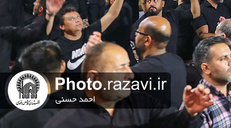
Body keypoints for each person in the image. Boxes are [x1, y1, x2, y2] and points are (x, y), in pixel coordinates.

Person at [44, 41, 213, 128]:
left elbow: (173, 123)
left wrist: (189, 113)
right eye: (121, 68)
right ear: (94, 78)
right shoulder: (65, 123)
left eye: (128, 65)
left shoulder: (141, 102)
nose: (130, 74)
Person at [133, 15, 187, 108]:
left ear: (147, 40)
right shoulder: (178, 61)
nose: (135, 35)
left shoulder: (139, 72)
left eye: (138, 32)